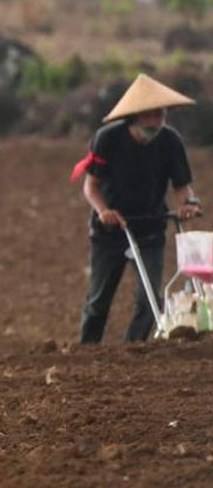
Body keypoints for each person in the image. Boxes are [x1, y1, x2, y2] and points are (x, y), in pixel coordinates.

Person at [71, 73, 202, 344]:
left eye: (161, 115)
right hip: (111, 230)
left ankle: (134, 350)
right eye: (150, 116)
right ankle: (86, 351)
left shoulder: (170, 141)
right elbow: (90, 186)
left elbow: (181, 186)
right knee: (98, 301)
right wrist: (103, 211)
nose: (156, 122)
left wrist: (187, 204)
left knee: (151, 299)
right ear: (135, 117)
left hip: (150, 228)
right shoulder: (108, 139)